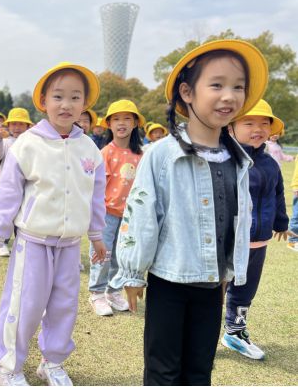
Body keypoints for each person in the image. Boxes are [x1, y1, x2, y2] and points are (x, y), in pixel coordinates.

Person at [111, 39, 269, 385]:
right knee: (163, 370)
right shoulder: (161, 155)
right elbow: (141, 216)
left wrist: (230, 270)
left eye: (237, 87)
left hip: (213, 285)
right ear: (187, 92)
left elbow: (237, 223)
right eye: (217, 85)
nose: (229, 96)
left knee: (200, 369)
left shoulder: (239, 160)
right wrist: (134, 274)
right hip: (169, 280)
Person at [0, 62, 107, 386]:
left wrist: (97, 235)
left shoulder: (89, 148)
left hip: (70, 245)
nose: (66, 104)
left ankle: (52, 362)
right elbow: (8, 194)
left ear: (84, 105)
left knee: (64, 307)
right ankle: (6, 367)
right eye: (58, 96)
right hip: (33, 242)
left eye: (75, 97)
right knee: (24, 305)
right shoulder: (27, 144)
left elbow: (94, 195)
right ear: (43, 101)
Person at [223, 99, 291, 360]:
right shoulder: (227, 160)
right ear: (232, 127)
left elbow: (278, 194)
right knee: (216, 288)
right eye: (249, 122)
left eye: (264, 123)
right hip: (229, 241)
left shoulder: (271, 164)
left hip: (258, 243)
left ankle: (234, 332)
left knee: (245, 290)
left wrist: (281, 223)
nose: (258, 128)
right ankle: (200, 335)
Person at [88, 99, 145, 316]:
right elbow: (95, 187)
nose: (122, 123)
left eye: (127, 119)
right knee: (102, 253)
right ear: (109, 124)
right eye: (116, 119)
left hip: (129, 216)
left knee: (120, 256)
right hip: (106, 214)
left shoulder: (140, 155)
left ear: (135, 124)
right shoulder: (104, 153)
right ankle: (97, 293)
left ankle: (113, 290)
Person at [0, 107, 33, 257]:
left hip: (26, 185)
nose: (17, 127)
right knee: (6, 214)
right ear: (8, 126)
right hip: (7, 186)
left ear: (28, 126)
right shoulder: (6, 142)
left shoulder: (31, 142)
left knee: (22, 215)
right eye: (13, 124)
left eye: (21, 124)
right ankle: (3, 242)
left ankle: (20, 243)